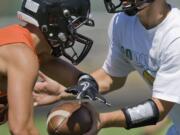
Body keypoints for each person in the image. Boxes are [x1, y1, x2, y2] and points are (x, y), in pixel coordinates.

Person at [33, 0, 180, 135]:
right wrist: (64, 90)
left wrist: (102, 119)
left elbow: (159, 108)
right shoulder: (123, 22)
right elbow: (112, 77)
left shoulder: (175, 35)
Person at [0, 0, 101, 134]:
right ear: (53, 19)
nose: (74, 32)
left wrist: (85, 81)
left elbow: (71, 76)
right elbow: (22, 130)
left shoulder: (19, 43)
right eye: (74, 24)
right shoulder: (22, 56)